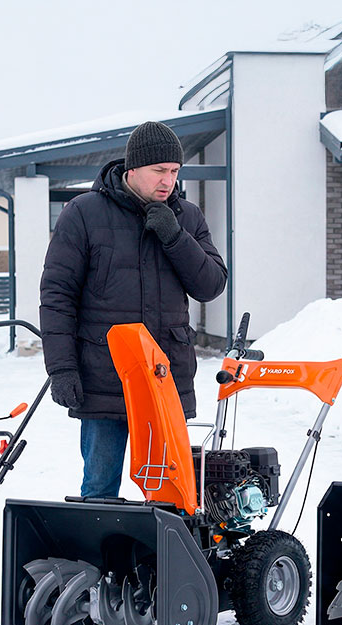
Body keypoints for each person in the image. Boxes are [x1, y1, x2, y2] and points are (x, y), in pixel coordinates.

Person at [39, 120, 227, 498]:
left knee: (169, 491)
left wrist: (175, 237)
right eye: (159, 171)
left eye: (174, 172)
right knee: (99, 488)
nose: (168, 181)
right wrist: (61, 369)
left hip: (164, 378)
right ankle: (99, 557)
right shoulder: (84, 213)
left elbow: (211, 284)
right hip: (105, 377)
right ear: (133, 169)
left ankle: (157, 559)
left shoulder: (186, 217)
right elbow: (57, 296)